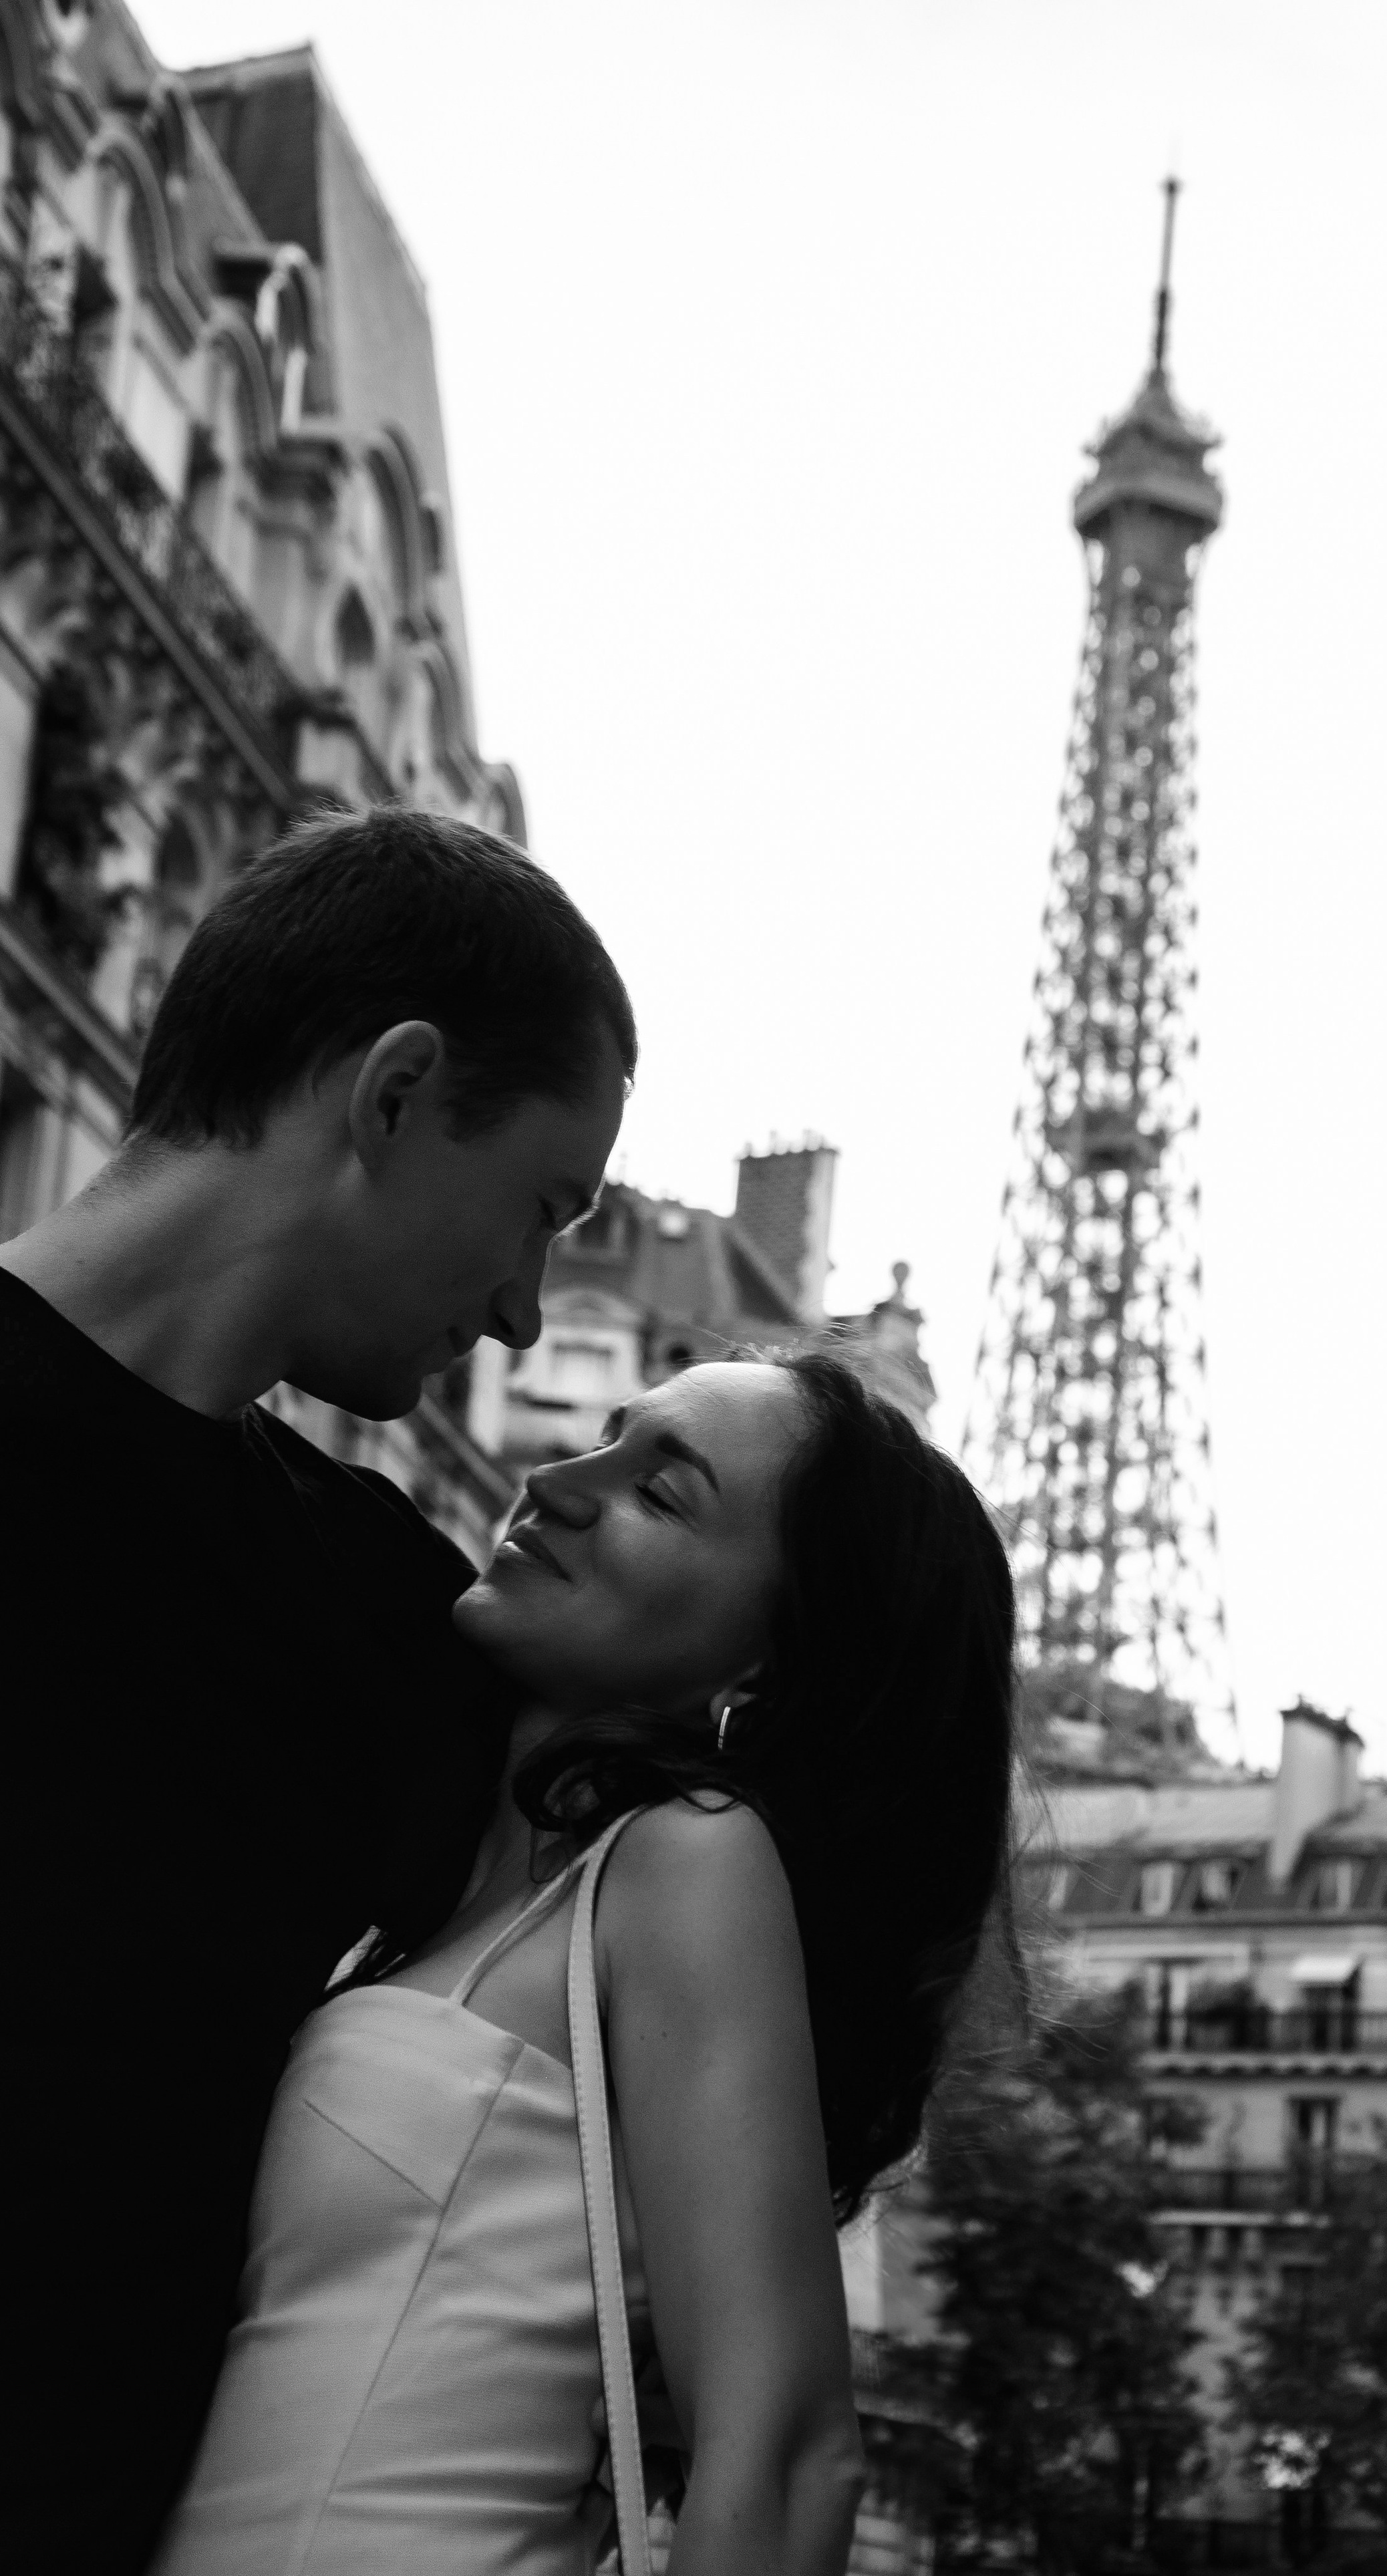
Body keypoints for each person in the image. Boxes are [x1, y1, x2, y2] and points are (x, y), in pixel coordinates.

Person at [1, 808, 634, 2573]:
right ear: (395, 1092)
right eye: (543, 1209)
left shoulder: (398, 1620)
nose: (521, 1310)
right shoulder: (378, 1630)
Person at [150, 1350, 1018, 2576]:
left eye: (659, 1492)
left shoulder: (687, 1858)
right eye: (606, 1440)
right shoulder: (450, 1885)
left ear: (772, 1661)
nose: (557, 1480)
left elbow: (786, 2458)